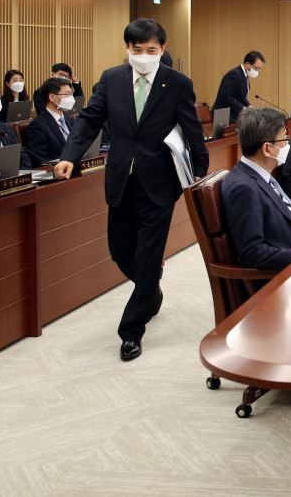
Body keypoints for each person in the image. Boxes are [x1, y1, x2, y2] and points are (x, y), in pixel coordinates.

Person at [53, 18, 208, 362]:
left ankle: (131, 332)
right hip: (121, 178)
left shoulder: (177, 82)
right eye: (137, 50)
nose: (143, 56)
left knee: (149, 255)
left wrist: (199, 170)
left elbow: (191, 126)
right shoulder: (111, 79)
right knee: (121, 251)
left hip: (160, 182)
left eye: (151, 50)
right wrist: (69, 156)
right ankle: (150, 290)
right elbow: (90, 120)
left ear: (162, 50)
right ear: (127, 49)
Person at [221, 108, 291, 272]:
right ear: (267, 149)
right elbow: (252, 251)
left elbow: (288, 220)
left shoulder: (260, 175)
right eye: (284, 139)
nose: (287, 145)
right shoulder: (243, 188)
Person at [27, 76, 78, 164]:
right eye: (66, 94)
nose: (70, 98)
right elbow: (40, 159)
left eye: (71, 94)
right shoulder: (38, 125)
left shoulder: (69, 120)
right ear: (52, 97)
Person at [213, 51, 264, 121]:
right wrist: (243, 108)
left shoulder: (244, 76)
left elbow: (240, 97)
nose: (257, 71)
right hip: (224, 115)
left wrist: (249, 106)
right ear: (247, 64)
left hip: (234, 115)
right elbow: (225, 97)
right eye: (256, 68)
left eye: (259, 69)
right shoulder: (234, 74)